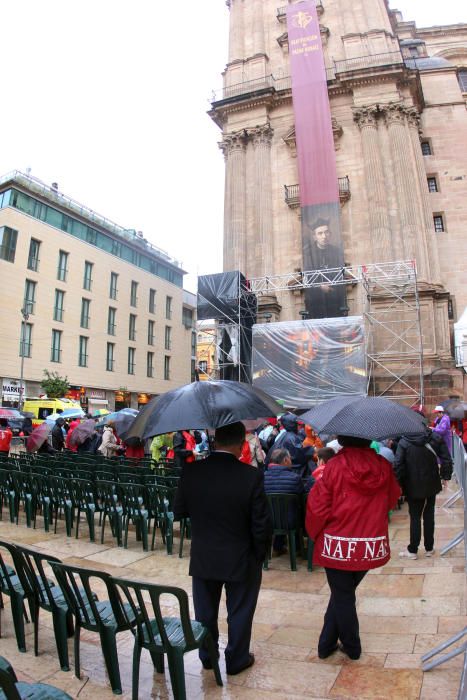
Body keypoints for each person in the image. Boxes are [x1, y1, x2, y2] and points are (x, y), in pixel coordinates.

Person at [173, 421, 272, 675]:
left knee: (205, 610)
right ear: (241, 445)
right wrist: (259, 556)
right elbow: (261, 524)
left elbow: (179, 510)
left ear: (215, 442)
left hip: (205, 554)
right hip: (242, 555)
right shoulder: (251, 476)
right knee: (240, 611)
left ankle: (207, 655)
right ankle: (236, 659)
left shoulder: (192, 471)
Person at [306, 435, 401, 660]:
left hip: (337, 543)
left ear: (342, 439)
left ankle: (352, 646)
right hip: (370, 543)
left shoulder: (334, 466)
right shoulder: (383, 466)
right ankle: (325, 644)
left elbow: (318, 506)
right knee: (343, 594)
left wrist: (314, 533)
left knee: (343, 595)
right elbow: (391, 498)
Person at [394, 428, 452, 559]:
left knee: (415, 517)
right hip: (432, 483)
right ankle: (429, 548)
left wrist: (399, 485)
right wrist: (445, 476)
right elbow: (446, 458)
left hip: (412, 485)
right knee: (429, 515)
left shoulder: (404, 442)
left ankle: (413, 550)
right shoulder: (434, 438)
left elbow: (398, 465)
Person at [303, 218, 347, 318]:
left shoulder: (336, 251)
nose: (324, 236)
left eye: (326, 232)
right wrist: (320, 286)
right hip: (315, 300)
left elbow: (340, 273)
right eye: (320, 233)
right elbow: (308, 275)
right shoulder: (308, 254)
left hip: (335, 297)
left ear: (330, 234)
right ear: (314, 236)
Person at [264, 448, 304, 555]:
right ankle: (298, 548)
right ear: (286, 460)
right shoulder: (295, 478)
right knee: (295, 509)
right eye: (290, 459)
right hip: (291, 521)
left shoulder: (262, 477)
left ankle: (278, 546)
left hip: (268, 520)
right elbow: (301, 499)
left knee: (279, 510)